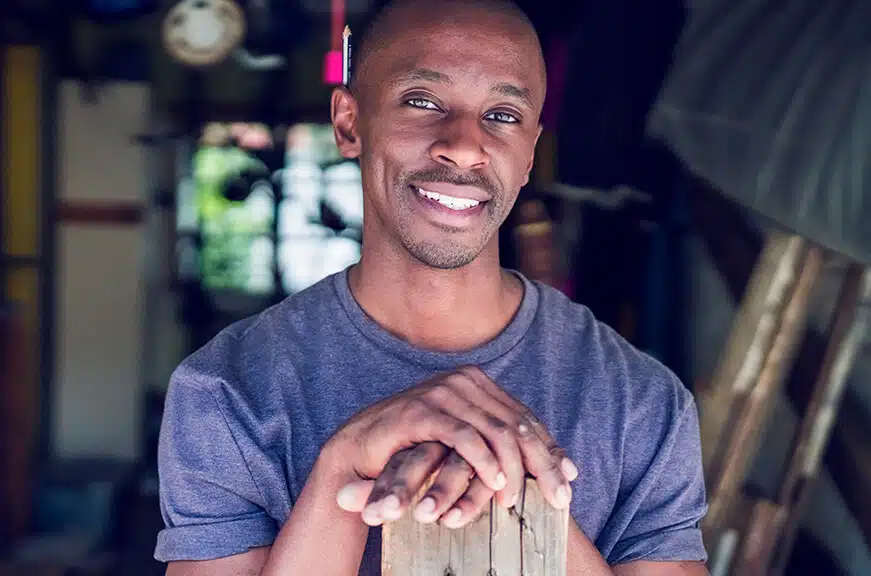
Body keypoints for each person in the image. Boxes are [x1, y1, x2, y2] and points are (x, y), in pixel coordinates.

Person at [154, 0, 709, 574]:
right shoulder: (226, 392)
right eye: (422, 102)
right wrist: (342, 470)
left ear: (529, 157)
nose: (465, 146)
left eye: (503, 116)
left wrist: (515, 484)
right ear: (349, 124)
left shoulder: (642, 405)